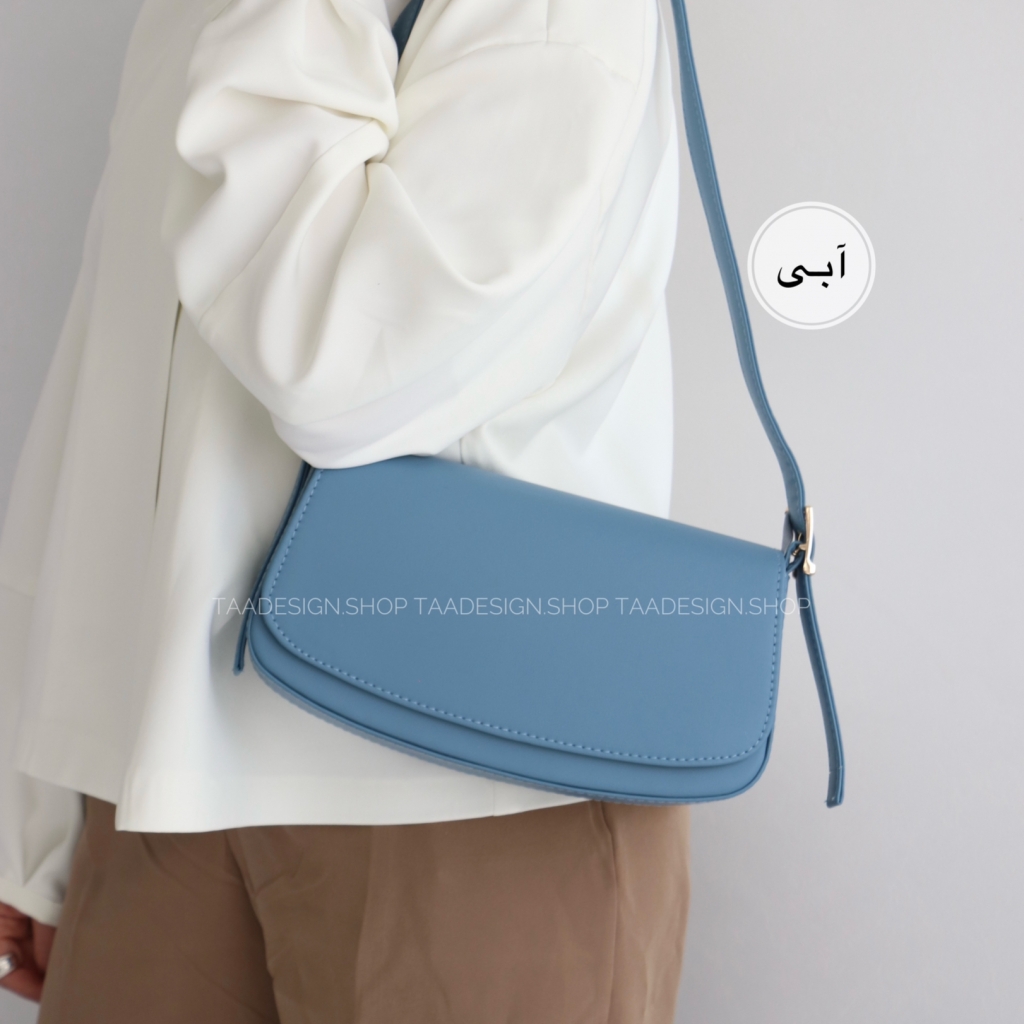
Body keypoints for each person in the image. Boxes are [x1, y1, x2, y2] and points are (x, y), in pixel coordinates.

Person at [0, 0, 690, 1019]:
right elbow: (114, 379)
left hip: (463, 791)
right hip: (156, 783)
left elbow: (341, 375)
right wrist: (41, 814)